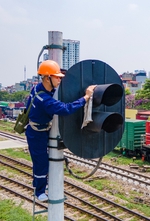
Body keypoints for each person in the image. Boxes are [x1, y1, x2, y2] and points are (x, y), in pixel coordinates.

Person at [25, 60, 96, 201]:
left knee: (45, 161)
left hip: (41, 129)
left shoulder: (39, 88)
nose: (59, 79)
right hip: (37, 133)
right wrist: (86, 97)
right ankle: (39, 192)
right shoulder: (44, 99)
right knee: (41, 162)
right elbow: (65, 109)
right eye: (57, 77)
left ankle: (44, 186)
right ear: (47, 78)